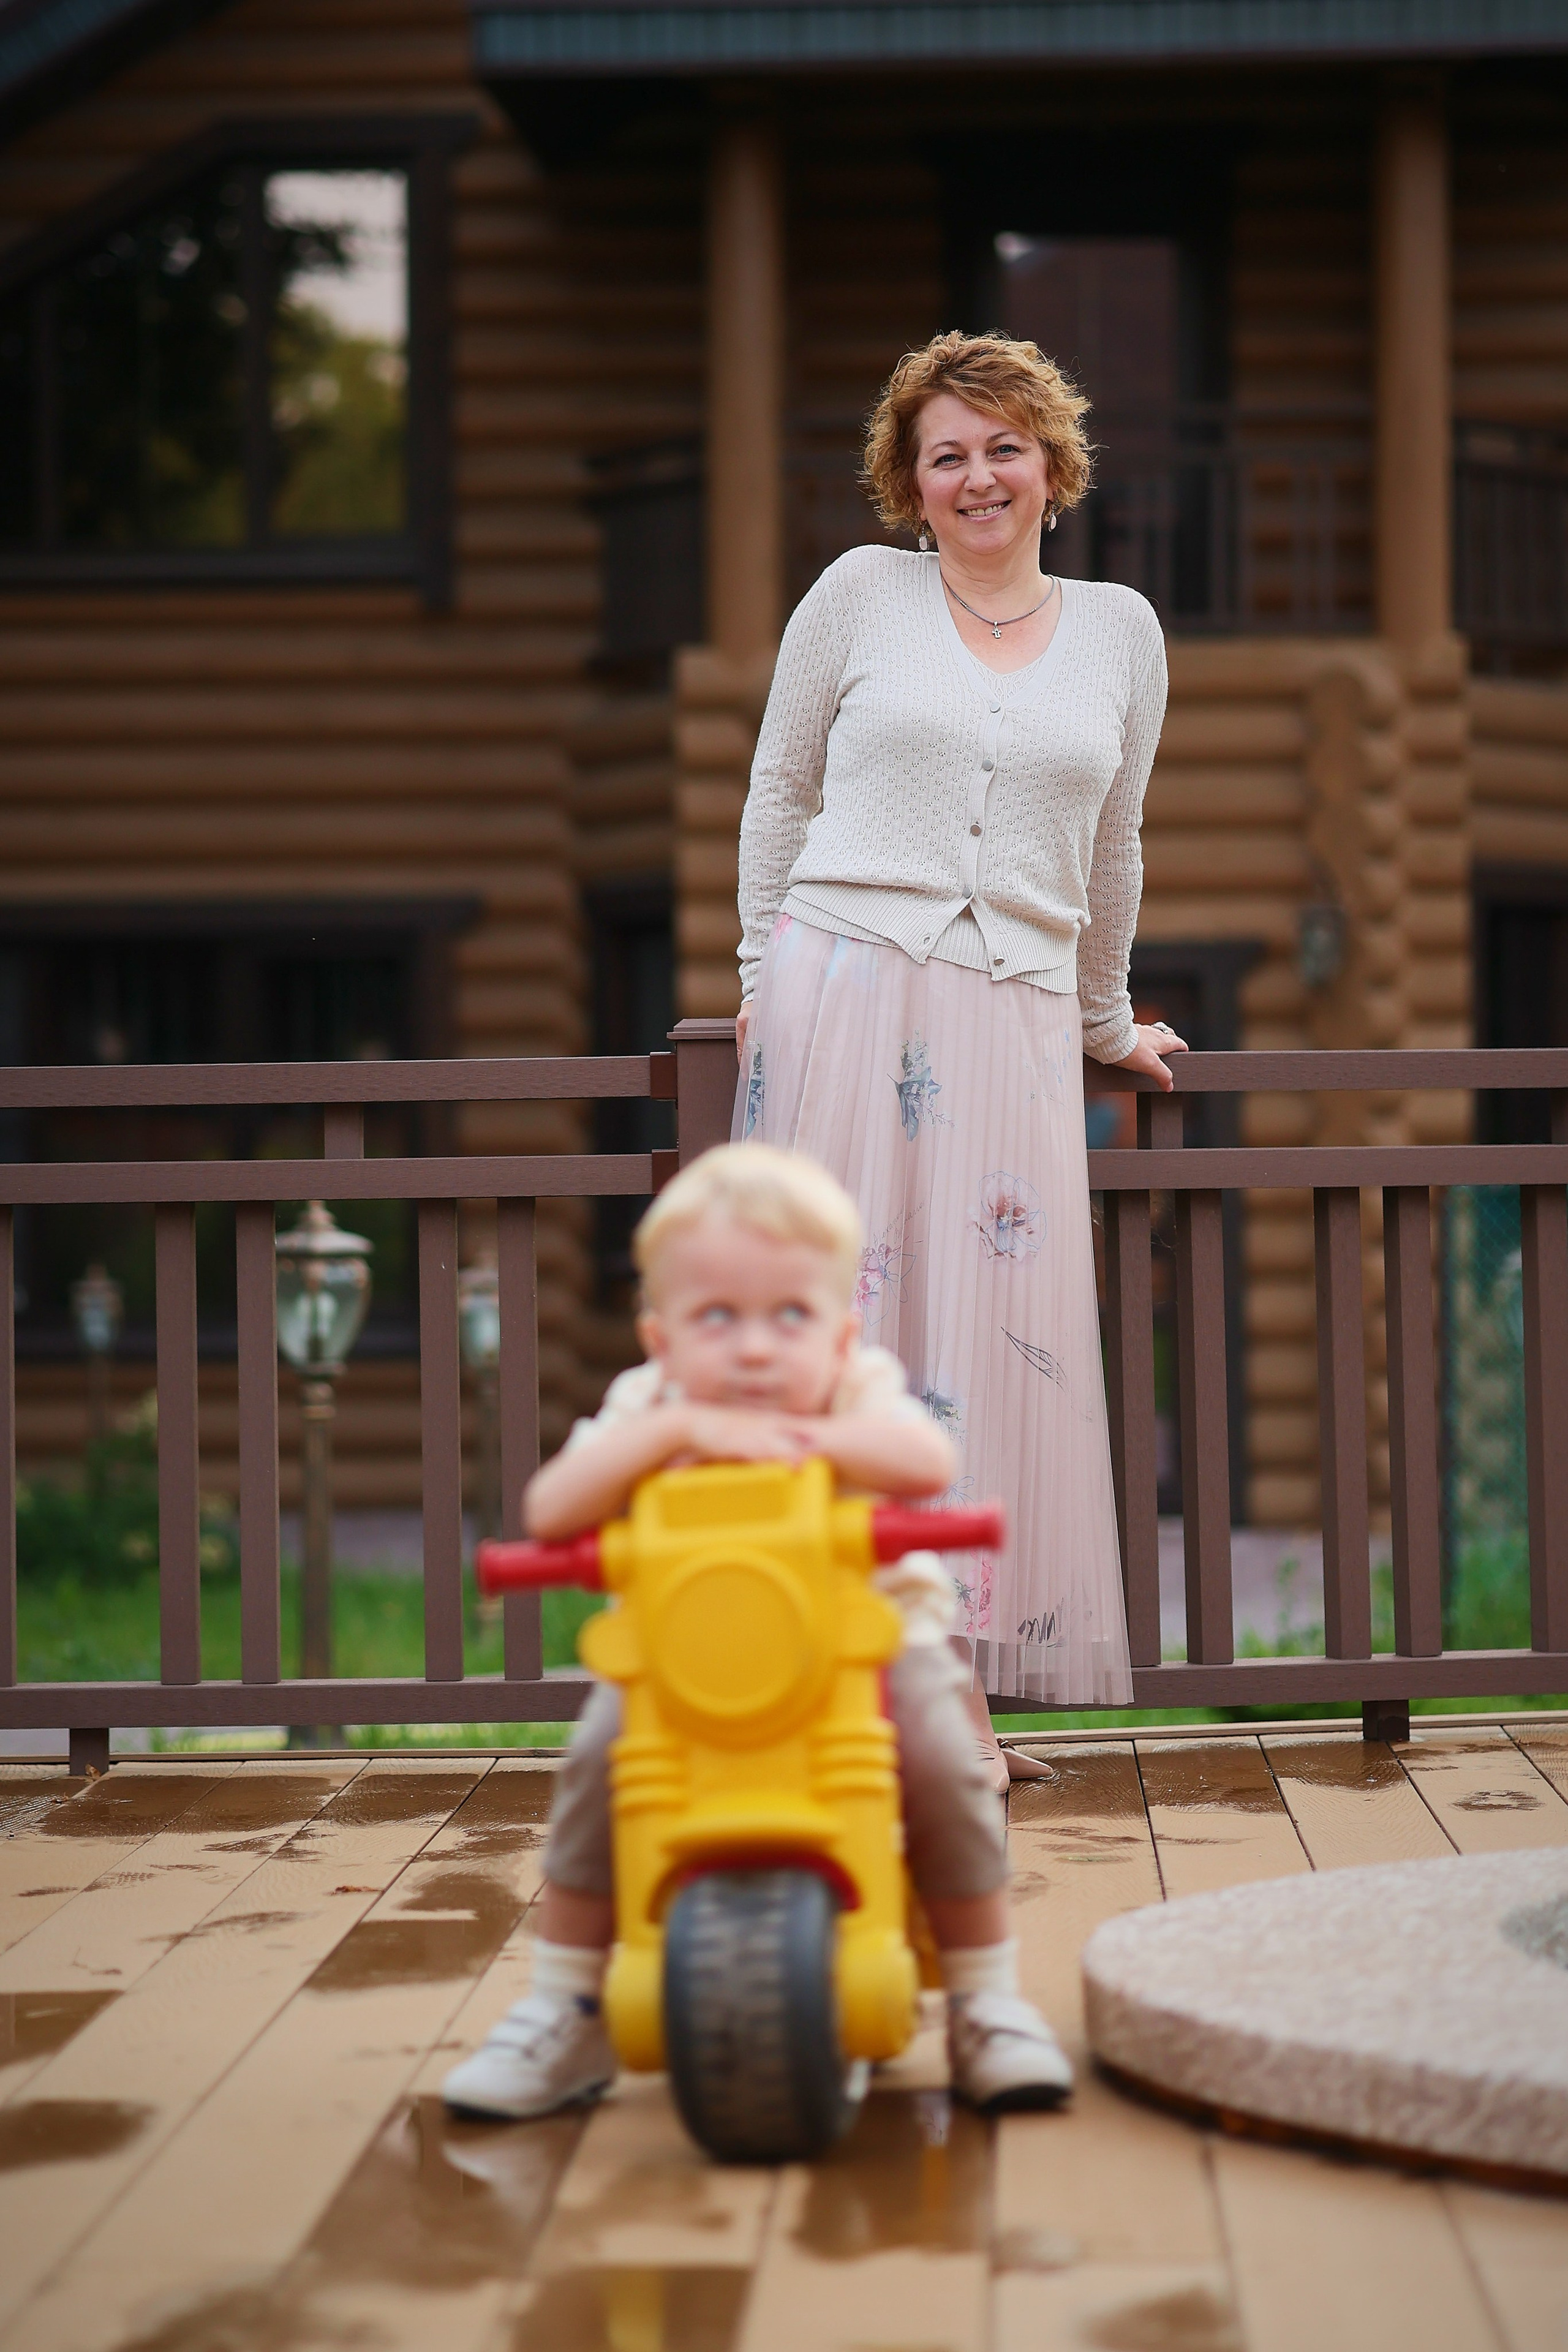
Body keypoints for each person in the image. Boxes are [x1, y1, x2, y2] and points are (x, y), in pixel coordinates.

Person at [733, 330, 1187, 1778]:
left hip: (1010, 1016)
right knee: (844, 1348)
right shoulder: (858, 597)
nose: (976, 475)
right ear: (908, 484)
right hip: (843, 998)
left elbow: (1111, 847)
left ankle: (940, 1706)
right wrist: (759, 976)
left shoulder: (1120, 630)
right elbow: (777, 787)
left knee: (984, 1365)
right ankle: (834, 1704)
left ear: (1052, 466)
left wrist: (1104, 1022)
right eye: (946, 454)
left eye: (1002, 447)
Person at [443, 1142, 1074, 2123]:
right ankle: (565, 2003)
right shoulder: (649, 1406)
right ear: (659, 1337)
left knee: (947, 1765)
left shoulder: (850, 1389)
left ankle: (987, 1999)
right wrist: (667, 1437)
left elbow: (922, 1455)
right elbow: (551, 1505)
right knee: (601, 1761)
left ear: (840, 1332)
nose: (753, 1348)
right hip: (684, 1660)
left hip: (869, 1647)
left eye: (791, 1315)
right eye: (715, 1318)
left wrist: (800, 1442)